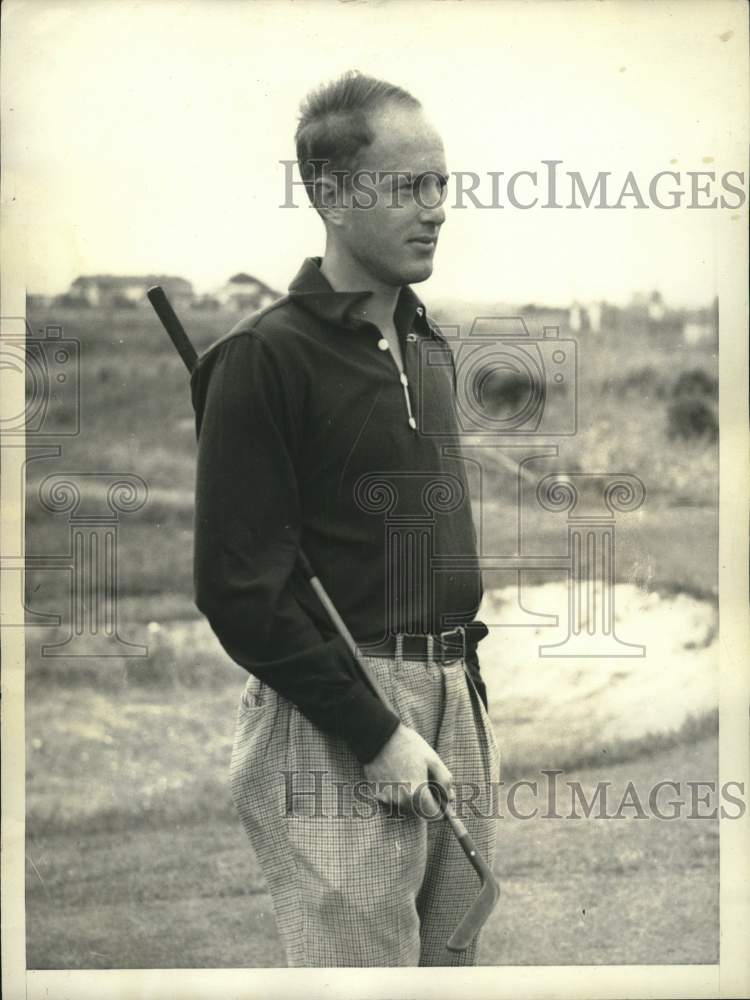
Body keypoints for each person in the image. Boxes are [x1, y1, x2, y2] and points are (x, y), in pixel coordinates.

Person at [191, 70, 499, 968]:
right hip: (342, 714)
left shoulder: (425, 340)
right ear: (328, 193)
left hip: (455, 691)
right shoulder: (262, 358)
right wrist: (375, 733)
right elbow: (240, 593)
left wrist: (443, 711)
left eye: (442, 183)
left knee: (448, 965)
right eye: (409, 186)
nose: (436, 207)